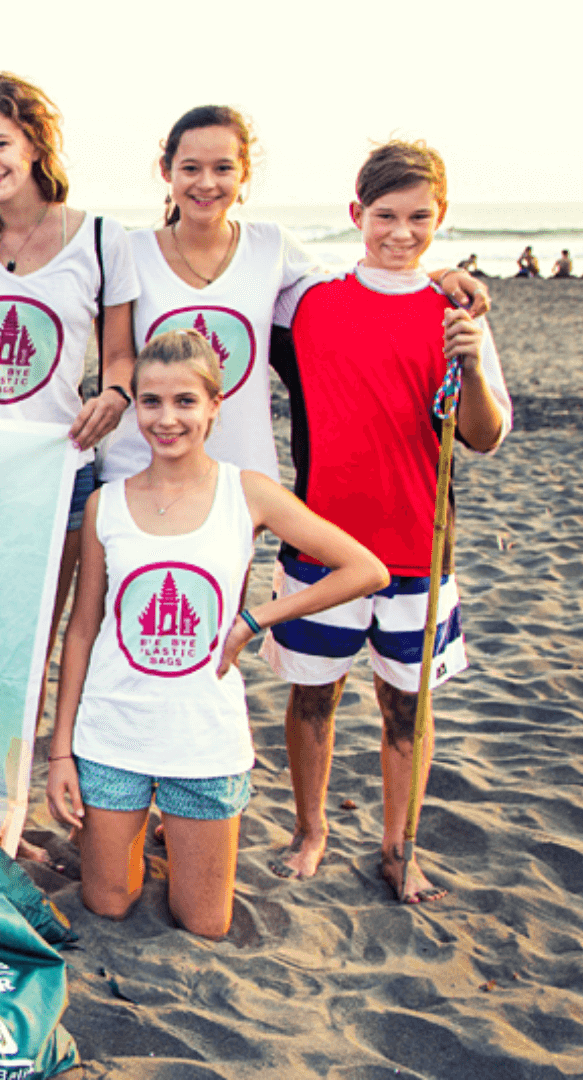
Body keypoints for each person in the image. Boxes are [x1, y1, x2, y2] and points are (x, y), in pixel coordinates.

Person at [46, 330, 387, 938]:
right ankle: (136, 833)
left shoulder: (247, 492)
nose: (167, 418)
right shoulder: (107, 504)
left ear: (214, 407)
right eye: (151, 402)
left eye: (185, 402)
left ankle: (171, 834)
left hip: (203, 738)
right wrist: (61, 750)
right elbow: (81, 630)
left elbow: (365, 569)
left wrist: (256, 620)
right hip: (112, 732)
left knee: (204, 922)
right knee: (109, 904)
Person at [263, 141, 513, 903]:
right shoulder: (306, 301)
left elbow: (485, 434)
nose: (400, 233)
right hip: (321, 543)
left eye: (419, 219)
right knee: (314, 696)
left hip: (418, 548)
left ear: (440, 220)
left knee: (406, 706)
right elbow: (222, 290)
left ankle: (399, 847)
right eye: (384, 216)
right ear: (355, 215)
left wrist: (468, 360)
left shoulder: (456, 315)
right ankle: (312, 830)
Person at [97, 107, 489, 487]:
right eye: (191, 168)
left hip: (239, 472)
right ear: (167, 172)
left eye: (223, 168)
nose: (206, 183)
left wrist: (442, 275)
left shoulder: (271, 246)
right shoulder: (128, 251)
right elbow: (113, 353)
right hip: (140, 463)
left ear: (244, 173)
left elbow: (359, 281)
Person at [0, 72, 139, 694]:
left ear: (34, 145)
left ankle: (9, 782)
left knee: (38, 634)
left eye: (0, 144)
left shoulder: (101, 239)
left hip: (62, 466)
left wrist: (116, 395)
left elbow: (121, 355)